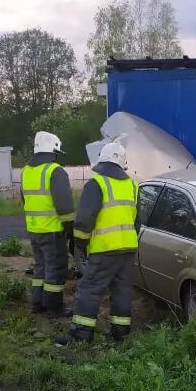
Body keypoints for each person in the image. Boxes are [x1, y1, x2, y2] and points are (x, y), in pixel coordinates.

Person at [56, 142, 138, 346]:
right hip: (128, 248)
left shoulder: (97, 183)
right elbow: (137, 219)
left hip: (104, 249)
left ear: (102, 161)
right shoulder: (132, 185)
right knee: (122, 291)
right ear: (122, 164)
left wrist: (80, 244)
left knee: (90, 289)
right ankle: (121, 333)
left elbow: (84, 219)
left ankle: (81, 335)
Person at [21, 131, 75, 317]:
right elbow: (65, 206)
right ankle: (54, 308)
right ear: (53, 151)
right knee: (56, 268)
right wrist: (70, 230)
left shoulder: (26, 171)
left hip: (34, 229)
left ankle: (37, 303)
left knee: (40, 267)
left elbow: (24, 199)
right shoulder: (55, 171)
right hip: (53, 230)